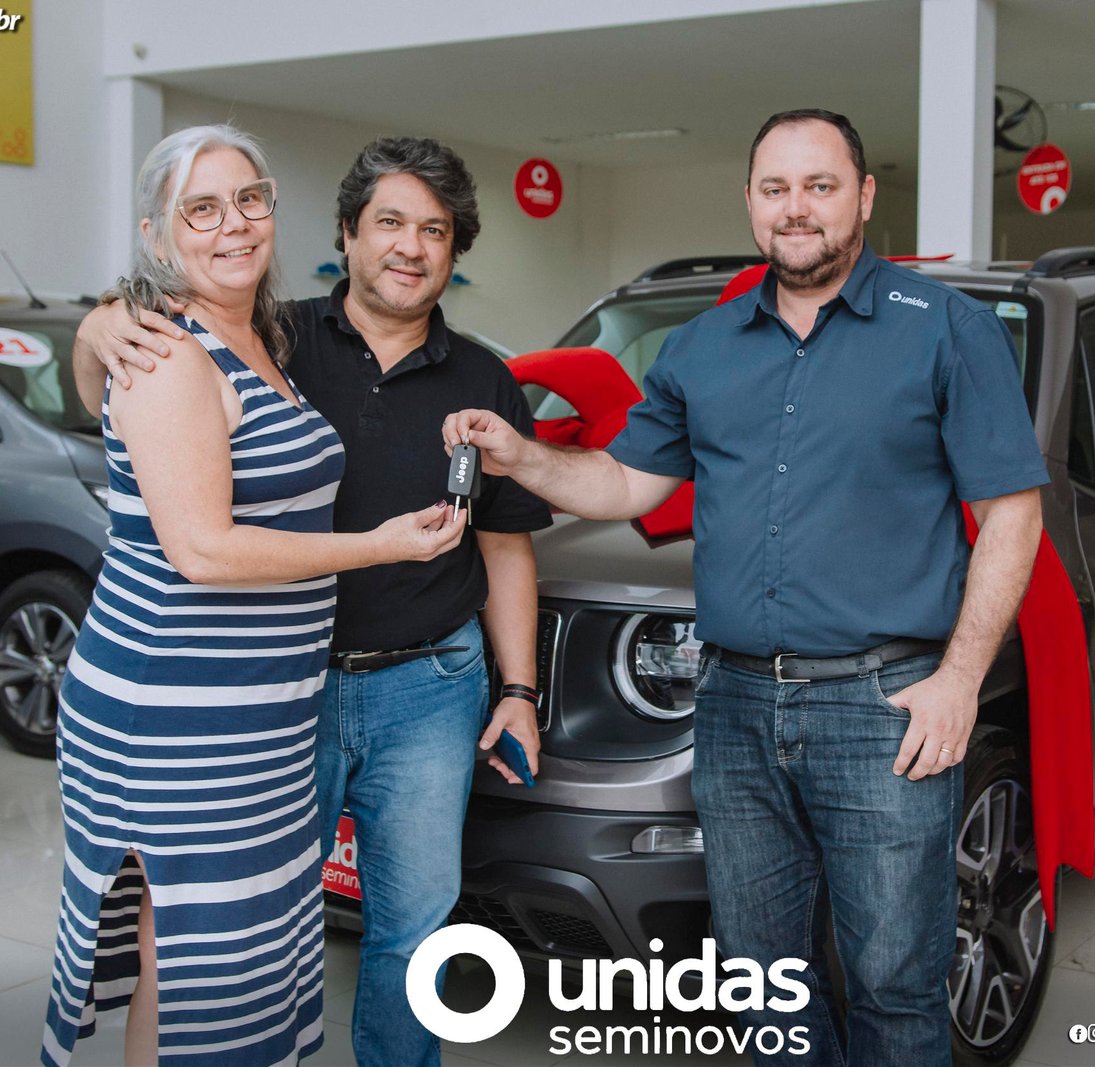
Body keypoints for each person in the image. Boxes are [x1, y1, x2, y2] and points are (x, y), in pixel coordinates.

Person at [442, 108, 1047, 1066]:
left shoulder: (945, 330)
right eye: (776, 188)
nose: (796, 208)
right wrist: (522, 456)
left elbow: (1013, 514)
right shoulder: (703, 346)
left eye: (820, 185)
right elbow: (625, 483)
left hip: (885, 706)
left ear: (864, 197)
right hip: (731, 707)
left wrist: (961, 678)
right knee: (763, 984)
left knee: (894, 984)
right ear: (752, 201)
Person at [73, 136, 551, 1067]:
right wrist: (97, 326)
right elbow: (135, 372)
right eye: (389, 223)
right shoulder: (273, 336)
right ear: (346, 233)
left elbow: (505, 544)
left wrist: (521, 692)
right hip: (285, 691)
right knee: (257, 926)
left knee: (417, 926)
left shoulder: (485, 377)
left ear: (455, 250)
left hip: (431, 688)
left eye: (435, 231)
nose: (410, 246)